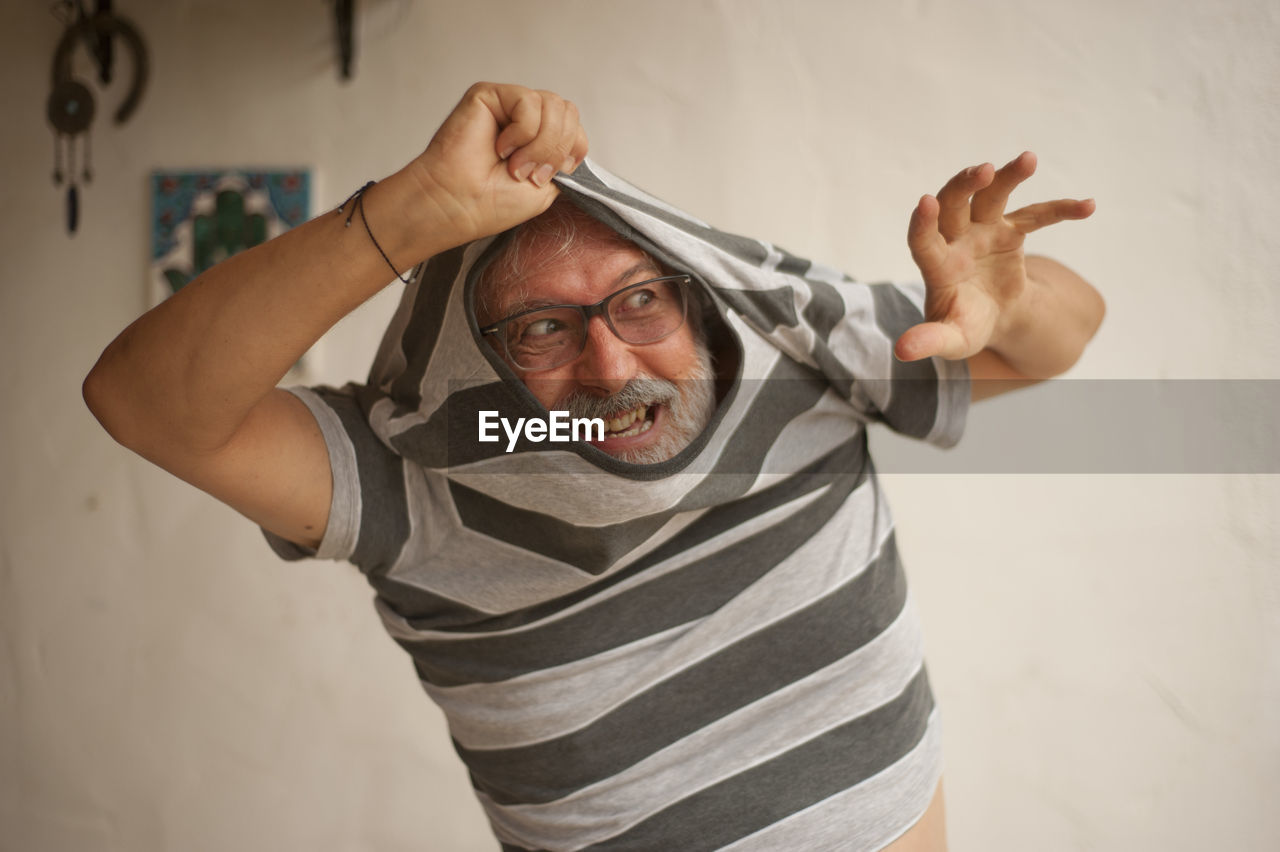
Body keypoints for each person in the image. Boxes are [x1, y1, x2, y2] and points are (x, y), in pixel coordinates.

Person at [84, 82, 1103, 851]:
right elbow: (144, 404)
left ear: (693, 298)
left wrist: (1009, 306)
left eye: (637, 300)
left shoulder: (788, 351)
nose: (608, 362)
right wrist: (412, 210)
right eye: (538, 328)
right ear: (474, 366)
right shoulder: (423, 476)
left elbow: (1054, 334)